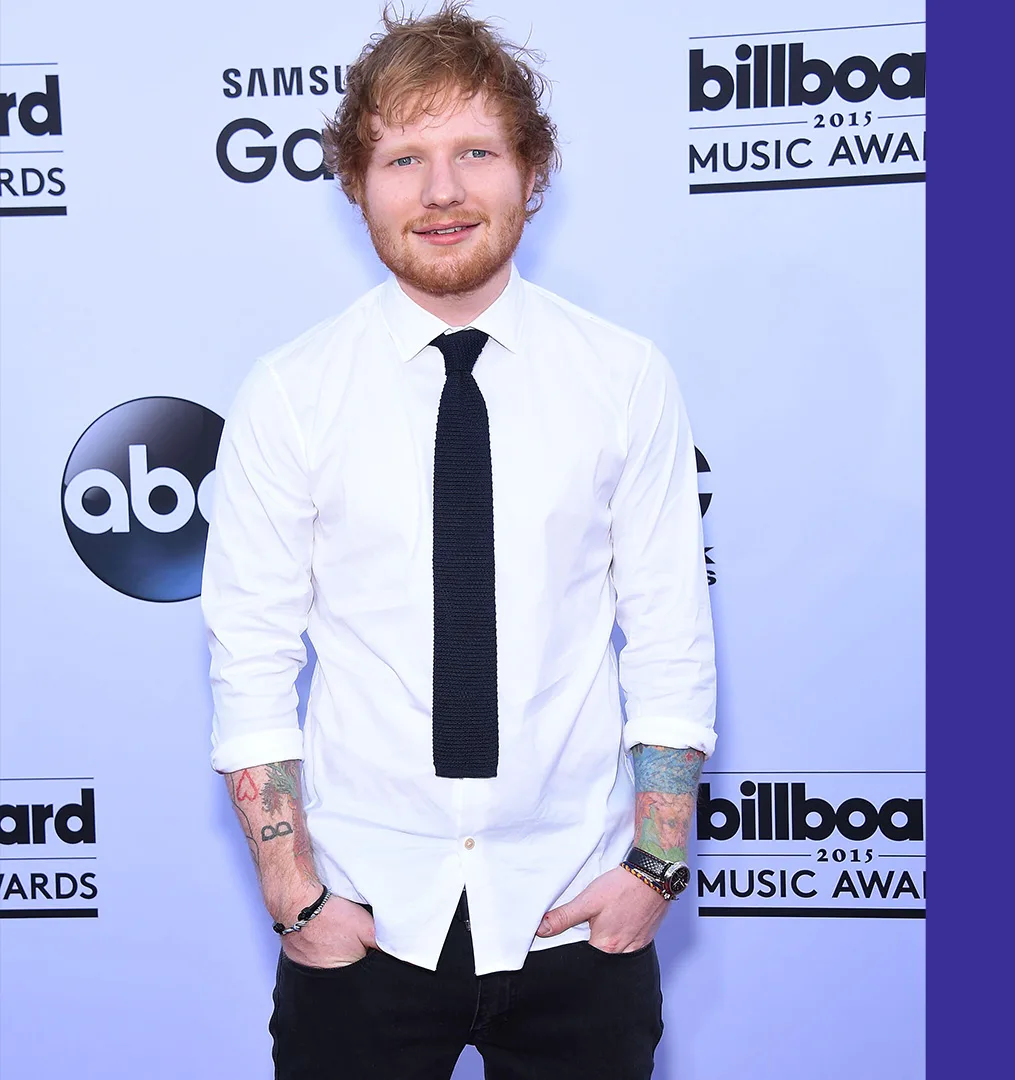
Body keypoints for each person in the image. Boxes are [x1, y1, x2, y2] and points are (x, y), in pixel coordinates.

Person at [201, 6, 714, 1077]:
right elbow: (251, 654)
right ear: (356, 183)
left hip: (576, 916)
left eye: (476, 152)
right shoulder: (293, 394)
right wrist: (294, 893)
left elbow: (667, 633)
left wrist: (655, 867)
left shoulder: (624, 380)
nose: (441, 192)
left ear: (531, 172)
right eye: (405, 158)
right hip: (368, 919)